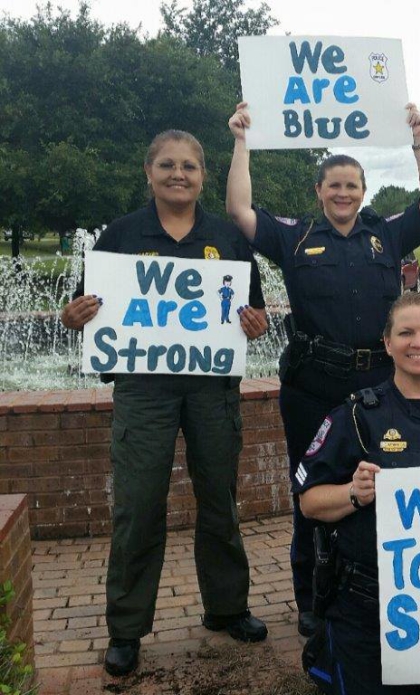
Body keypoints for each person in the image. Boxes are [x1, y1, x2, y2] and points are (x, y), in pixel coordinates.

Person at [226, 102, 420, 636]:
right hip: (312, 387)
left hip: (376, 387)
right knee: (312, 490)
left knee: (384, 486)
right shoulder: (294, 235)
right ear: (319, 191)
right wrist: (240, 141)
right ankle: (310, 598)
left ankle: (382, 589)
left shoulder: (387, 235)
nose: (343, 193)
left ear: (364, 190)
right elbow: (239, 211)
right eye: (334, 185)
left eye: (352, 185)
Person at [60, 130, 270, 677]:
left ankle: (228, 607)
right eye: (167, 166)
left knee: (219, 500)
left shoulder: (227, 240)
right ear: (149, 171)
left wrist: (254, 324)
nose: (179, 175)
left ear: (203, 175)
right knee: (138, 505)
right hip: (143, 389)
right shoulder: (121, 235)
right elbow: (81, 311)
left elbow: (256, 316)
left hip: (210, 388)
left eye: (190, 168)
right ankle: (126, 629)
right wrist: (72, 316)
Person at [297, 292, 420, 695]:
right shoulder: (356, 415)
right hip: (369, 609)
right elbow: (309, 501)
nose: (417, 343)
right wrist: (353, 492)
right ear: (387, 343)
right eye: (405, 333)